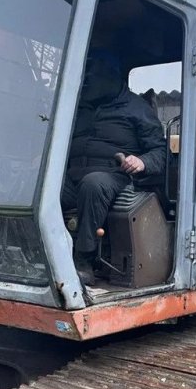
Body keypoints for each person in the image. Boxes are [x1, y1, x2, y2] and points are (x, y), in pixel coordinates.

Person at [61, 51, 166, 285]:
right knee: (42, 186)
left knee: (94, 184)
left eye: (93, 74)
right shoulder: (80, 107)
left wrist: (142, 162)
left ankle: (83, 260)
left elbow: (161, 153)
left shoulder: (137, 109)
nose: (87, 79)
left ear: (112, 76)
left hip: (114, 176)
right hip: (72, 175)